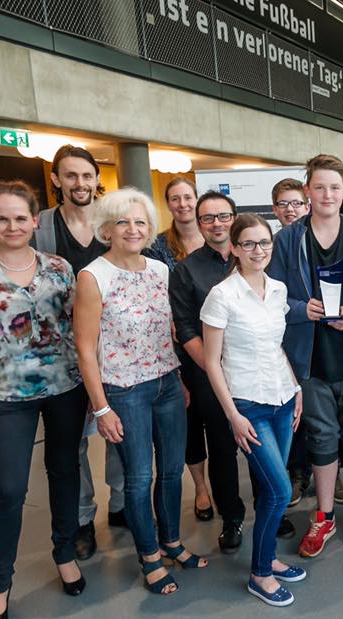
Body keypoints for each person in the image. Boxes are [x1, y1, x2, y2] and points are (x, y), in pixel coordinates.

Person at [0, 181, 89, 619]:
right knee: (7, 491)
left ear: (35, 220)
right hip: (6, 395)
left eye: (20, 218)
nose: (12, 226)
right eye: (2, 218)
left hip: (66, 387)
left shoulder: (60, 267)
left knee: (65, 472)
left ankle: (65, 554)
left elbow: (79, 330)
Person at [75, 188, 207, 596]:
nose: (133, 229)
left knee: (171, 470)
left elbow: (167, 331)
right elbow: (85, 348)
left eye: (140, 222)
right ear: (106, 229)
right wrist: (101, 409)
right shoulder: (93, 276)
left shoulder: (160, 270)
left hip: (168, 383)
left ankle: (171, 542)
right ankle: (149, 556)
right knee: (138, 476)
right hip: (124, 390)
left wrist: (180, 379)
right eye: (123, 222)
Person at [267, 154, 343, 558]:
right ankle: (324, 516)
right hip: (309, 358)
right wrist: (302, 309)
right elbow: (274, 297)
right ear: (307, 191)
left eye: (334, 187)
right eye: (319, 187)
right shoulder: (287, 240)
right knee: (320, 435)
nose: (327, 194)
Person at [202, 215, 306, 606]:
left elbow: (276, 347)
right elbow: (212, 362)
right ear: (234, 248)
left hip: (282, 398)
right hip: (248, 406)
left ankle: (269, 558)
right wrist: (233, 416)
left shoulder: (278, 289)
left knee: (269, 491)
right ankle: (260, 574)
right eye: (248, 243)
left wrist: (295, 387)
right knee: (280, 490)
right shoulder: (222, 295)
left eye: (264, 242)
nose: (258, 250)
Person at [171, 192, 284, 549]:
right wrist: (216, 367)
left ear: (234, 219)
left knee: (261, 447)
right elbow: (185, 327)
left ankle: (269, 508)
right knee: (222, 448)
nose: (216, 223)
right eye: (208, 218)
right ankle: (232, 518)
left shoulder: (260, 262)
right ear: (199, 224)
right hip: (211, 376)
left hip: (257, 377)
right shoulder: (186, 270)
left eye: (223, 216)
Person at [33, 144, 120, 561]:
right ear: (56, 179)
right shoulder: (42, 228)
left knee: (121, 429)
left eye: (86, 175)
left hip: (116, 348)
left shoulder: (112, 222)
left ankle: (121, 504)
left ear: (96, 178)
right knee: (72, 442)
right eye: (70, 175)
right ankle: (83, 519)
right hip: (61, 353)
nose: (80, 183)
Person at [143, 177, 213, 522]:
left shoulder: (217, 239)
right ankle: (201, 488)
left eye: (188, 197)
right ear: (168, 204)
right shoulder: (156, 247)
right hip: (176, 347)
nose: (183, 204)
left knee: (222, 420)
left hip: (219, 342)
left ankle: (226, 486)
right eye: (175, 198)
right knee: (190, 419)